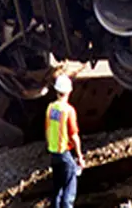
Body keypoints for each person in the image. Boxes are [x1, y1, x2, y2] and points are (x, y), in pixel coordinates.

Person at [45, 73, 85, 208]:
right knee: (69, 189)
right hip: (64, 153)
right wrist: (80, 156)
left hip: (54, 154)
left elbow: (47, 130)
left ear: (57, 91)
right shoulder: (68, 110)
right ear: (69, 91)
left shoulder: (50, 108)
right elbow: (74, 136)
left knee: (57, 190)